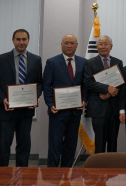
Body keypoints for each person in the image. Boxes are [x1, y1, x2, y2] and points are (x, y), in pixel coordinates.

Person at [0, 29, 42, 167]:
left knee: (24, 147)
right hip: (5, 111)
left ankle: (21, 177)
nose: (21, 42)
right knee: (4, 147)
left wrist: (35, 96)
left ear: (28, 40)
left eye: (24, 39)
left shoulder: (36, 60)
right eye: (18, 39)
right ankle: (1, 178)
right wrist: (3, 99)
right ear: (13, 40)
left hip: (26, 112)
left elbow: (39, 83)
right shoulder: (0, 59)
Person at [43, 34, 88, 167]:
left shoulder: (83, 62)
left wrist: (84, 100)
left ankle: (67, 172)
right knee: (55, 144)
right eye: (66, 43)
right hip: (57, 112)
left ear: (77, 45)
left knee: (71, 144)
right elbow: (46, 86)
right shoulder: (52, 62)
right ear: (61, 44)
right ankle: (52, 174)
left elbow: (86, 85)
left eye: (72, 43)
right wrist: (50, 104)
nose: (69, 45)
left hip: (75, 112)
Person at [83, 35, 123, 153]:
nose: (103, 46)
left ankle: (111, 170)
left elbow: (122, 84)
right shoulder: (90, 63)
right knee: (99, 143)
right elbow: (87, 82)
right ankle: (98, 170)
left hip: (113, 109)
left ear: (111, 46)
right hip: (98, 109)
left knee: (113, 142)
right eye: (100, 44)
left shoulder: (118, 62)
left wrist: (109, 94)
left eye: (106, 44)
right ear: (96, 46)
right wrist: (107, 88)